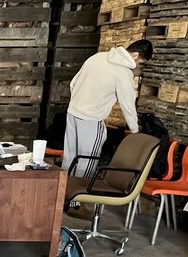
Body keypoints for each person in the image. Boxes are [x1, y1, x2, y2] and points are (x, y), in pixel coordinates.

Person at [63, 39, 153, 178]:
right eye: (140, 63)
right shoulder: (123, 73)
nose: (137, 66)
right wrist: (135, 131)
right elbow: (127, 105)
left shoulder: (97, 57)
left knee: (70, 158)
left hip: (72, 113)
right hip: (92, 120)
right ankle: (77, 199)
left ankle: (62, 197)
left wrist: (77, 102)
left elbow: (73, 83)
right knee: (87, 163)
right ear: (135, 55)